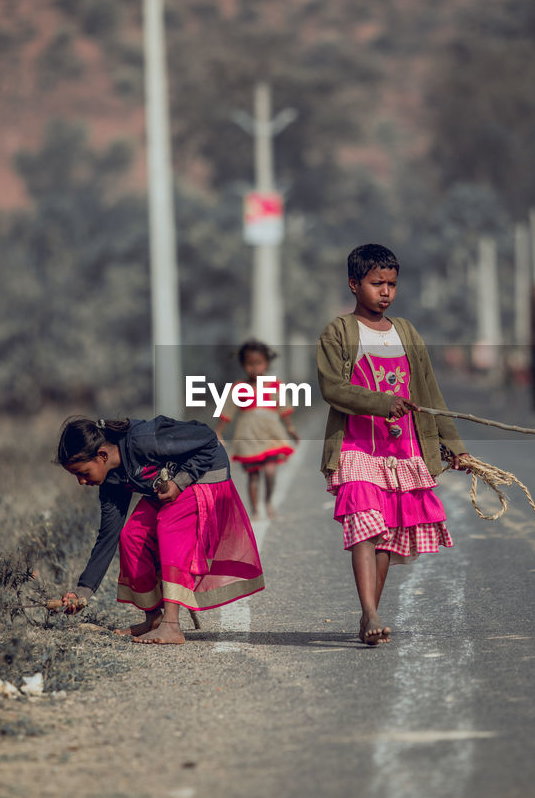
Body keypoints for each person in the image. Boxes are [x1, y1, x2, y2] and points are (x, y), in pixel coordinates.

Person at [317, 243, 469, 646]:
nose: (385, 292)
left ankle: (370, 613)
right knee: (364, 526)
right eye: (376, 283)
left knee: (384, 534)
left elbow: (432, 396)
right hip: (356, 447)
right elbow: (333, 388)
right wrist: (383, 402)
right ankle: (369, 613)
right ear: (354, 284)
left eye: (392, 284)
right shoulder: (339, 332)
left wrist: (454, 446)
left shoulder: (407, 333)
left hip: (402, 453)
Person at [55, 414, 264, 644]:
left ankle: (171, 626)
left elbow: (207, 437)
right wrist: (82, 593)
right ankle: (153, 618)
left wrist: (180, 481)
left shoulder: (144, 440)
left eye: (83, 473)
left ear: (102, 456)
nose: (81, 482)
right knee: (131, 536)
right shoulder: (112, 481)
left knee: (169, 526)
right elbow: (108, 537)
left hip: (205, 476)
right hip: (171, 487)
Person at [216, 340, 299, 519]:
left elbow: (284, 410)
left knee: (270, 471)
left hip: (271, 434)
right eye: (249, 364)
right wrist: (218, 431)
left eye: (259, 363)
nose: (254, 368)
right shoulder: (239, 388)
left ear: (267, 363)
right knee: (253, 476)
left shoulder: (275, 385)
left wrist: (291, 429)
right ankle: (254, 509)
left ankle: (268, 501)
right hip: (248, 436)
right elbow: (227, 411)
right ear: (243, 365)